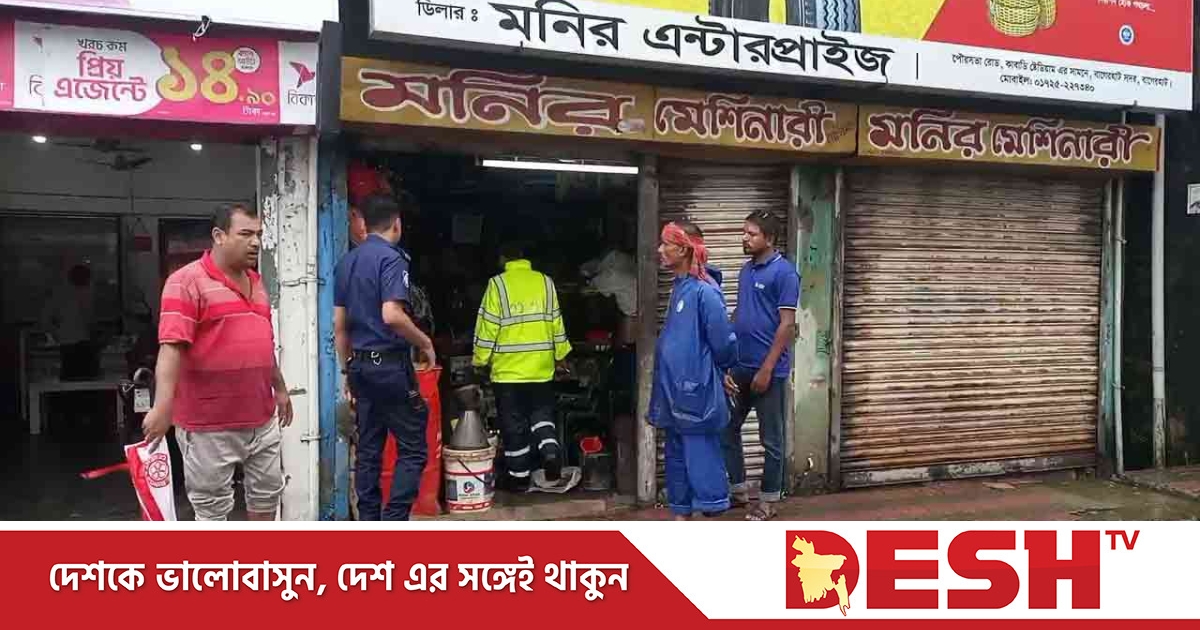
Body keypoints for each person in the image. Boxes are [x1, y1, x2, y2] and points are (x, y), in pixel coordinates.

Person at [142, 203, 294, 521]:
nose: (255, 242)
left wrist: (279, 389)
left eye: (259, 234)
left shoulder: (257, 282)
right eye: (245, 234)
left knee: (267, 499)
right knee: (212, 510)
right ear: (219, 236)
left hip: (260, 418)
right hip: (208, 425)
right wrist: (162, 407)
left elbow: (262, 344)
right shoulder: (186, 282)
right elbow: (171, 349)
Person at [333, 193, 437, 521]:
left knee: (369, 450)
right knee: (413, 449)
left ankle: (369, 522)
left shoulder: (347, 262)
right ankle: (393, 521)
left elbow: (339, 326)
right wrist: (425, 342)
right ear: (397, 224)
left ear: (364, 223)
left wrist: (346, 371)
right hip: (389, 366)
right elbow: (392, 314)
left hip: (361, 367)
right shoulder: (392, 259)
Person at [648, 221, 738, 520]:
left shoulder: (705, 291)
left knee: (701, 457)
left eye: (666, 244)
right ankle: (681, 514)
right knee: (676, 458)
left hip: (695, 393)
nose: (660, 249)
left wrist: (722, 371)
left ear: (684, 249)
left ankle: (710, 516)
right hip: (674, 391)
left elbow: (723, 342)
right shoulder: (680, 288)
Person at [472, 243, 572, 492]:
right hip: (541, 368)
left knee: (514, 425)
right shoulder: (546, 282)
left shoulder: (497, 285)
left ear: (502, 258)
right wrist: (561, 356)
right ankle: (550, 451)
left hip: (508, 372)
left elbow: (488, 327)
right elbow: (556, 323)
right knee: (541, 415)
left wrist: (480, 360)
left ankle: (519, 478)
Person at [723, 210, 800, 521]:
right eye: (744, 232)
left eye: (752, 234)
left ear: (769, 238)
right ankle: (738, 491)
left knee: (772, 441)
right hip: (740, 366)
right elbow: (739, 314)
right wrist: (727, 361)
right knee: (727, 427)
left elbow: (787, 325)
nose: (745, 238)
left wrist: (767, 369)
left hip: (768, 371)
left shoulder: (785, 273)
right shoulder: (746, 270)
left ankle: (768, 502)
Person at [42, 263, 99, 380]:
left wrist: (58, 333)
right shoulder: (82, 296)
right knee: (86, 380)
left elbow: (45, 320)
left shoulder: (60, 295)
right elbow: (90, 322)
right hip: (80, 344)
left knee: (71, 380)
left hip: (71, 343)